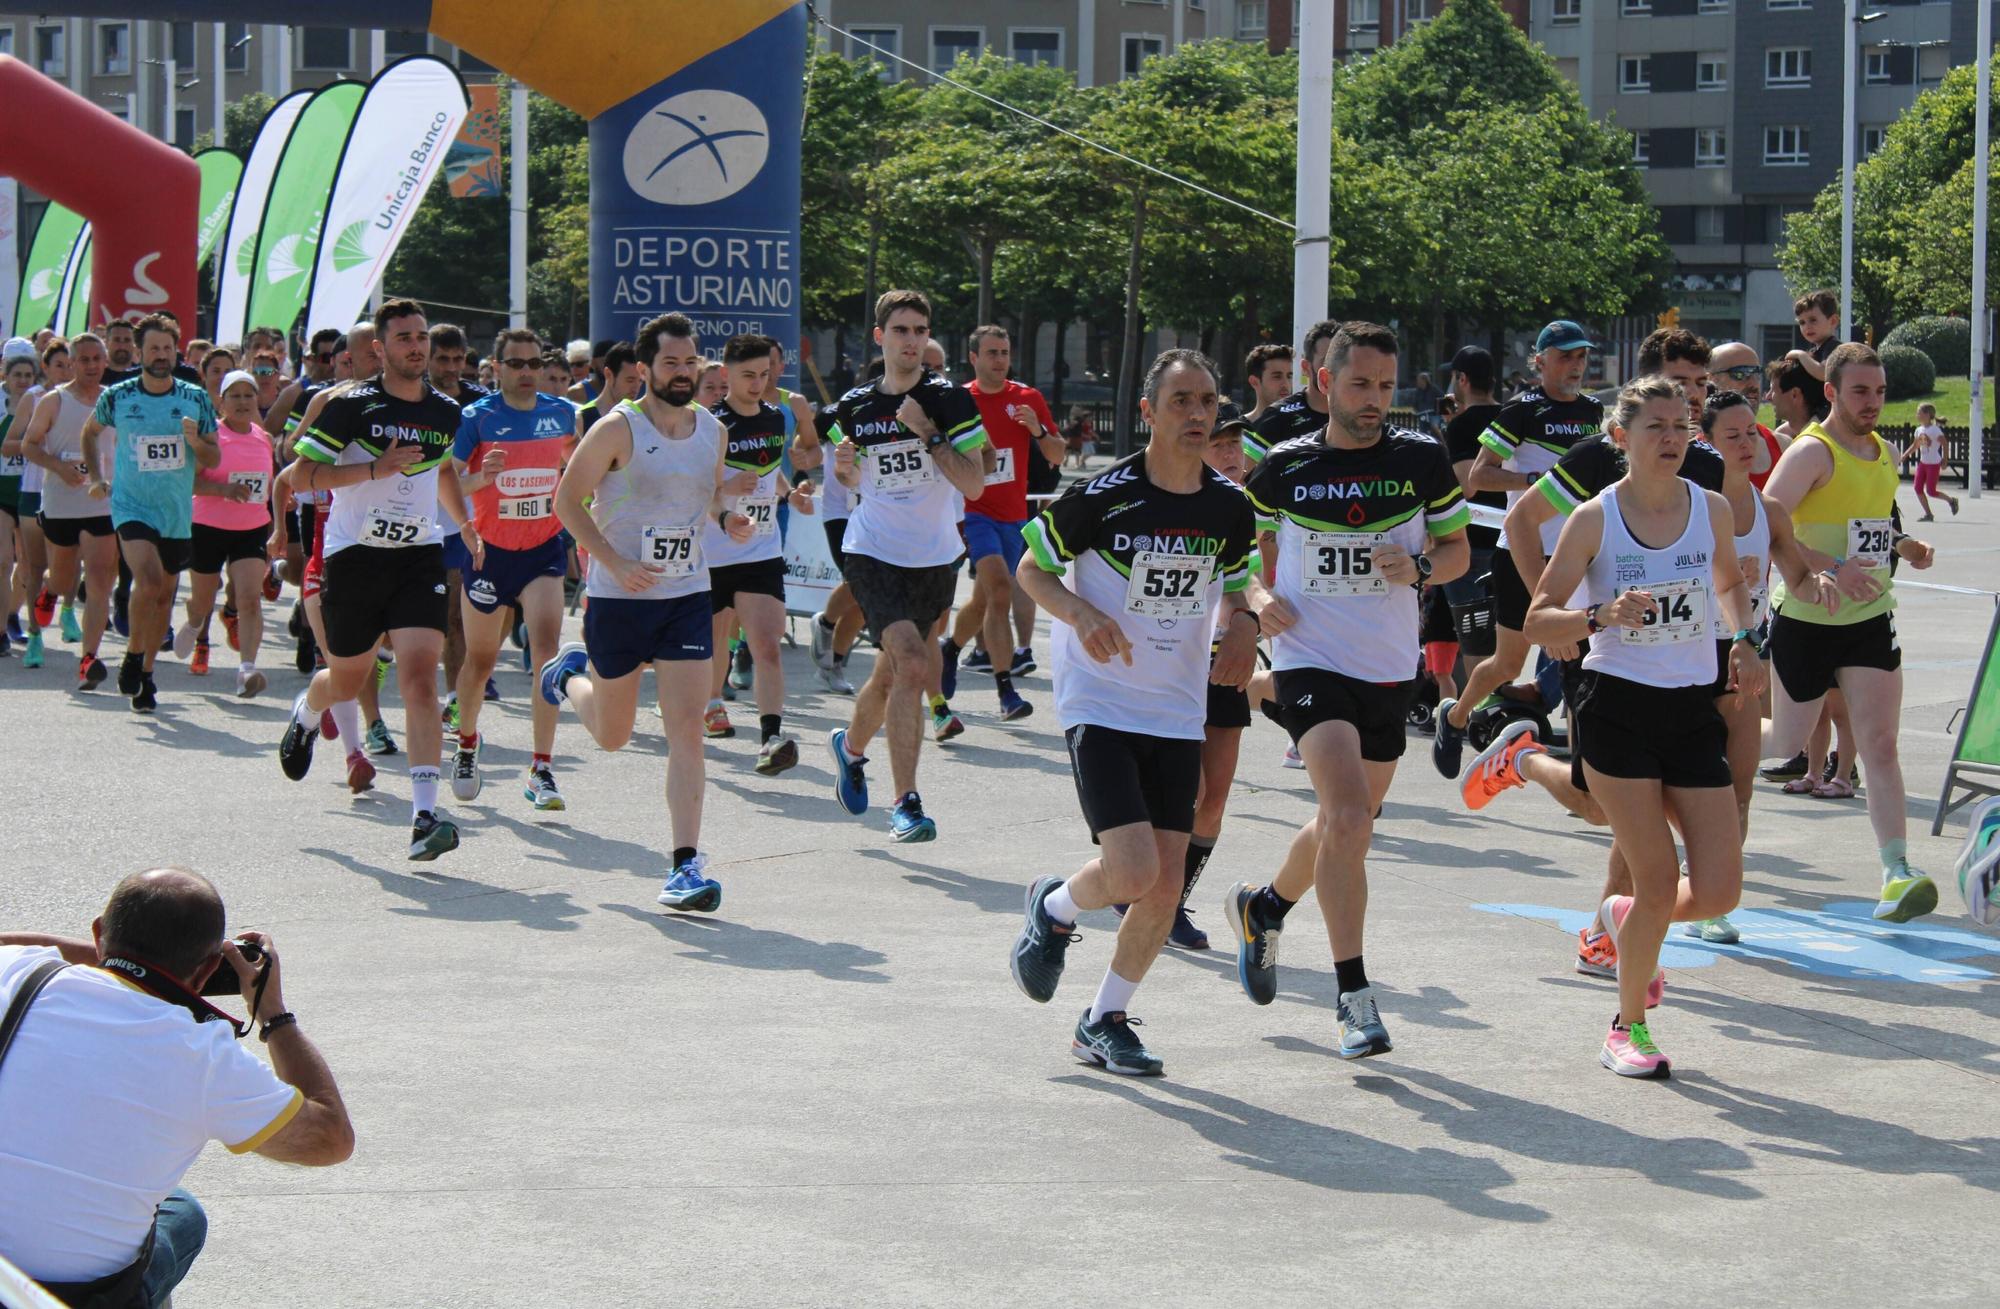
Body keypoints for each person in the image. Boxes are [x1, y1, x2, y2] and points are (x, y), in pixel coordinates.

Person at [1222, 322, 1471, 1059]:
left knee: (1346, 825)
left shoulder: (1423, 460)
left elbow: (1457, 549)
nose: (1375, 400)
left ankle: (1264, 908)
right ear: (1326, 383)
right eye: (1361, 384)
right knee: (1349, 813)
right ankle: (1354, 996)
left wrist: (1422, 569)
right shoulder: (1284, 466)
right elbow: (1240, 555)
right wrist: (1259, 599)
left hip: (1388, 667)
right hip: (1309, 658)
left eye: (1388, 386)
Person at [1008, 348, 1259, 1075]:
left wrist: (1242, 627)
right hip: (1102, 696)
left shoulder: (1228, 506)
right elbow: (1032, 568)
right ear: (1148, 412)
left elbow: (1239, 590)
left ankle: (1104, 1018)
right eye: (1181, 401)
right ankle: (1055, 904)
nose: (1197, 414)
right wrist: (1080, 612)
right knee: (1132, 869)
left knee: (1165, 880)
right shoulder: (1103, 495)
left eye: (1207, 402)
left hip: (1176, 706)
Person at [1524, 376, 1763, 1078]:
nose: (1672, 437)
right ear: (1620, 438)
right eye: (1655, 426)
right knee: (1659, 876)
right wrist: (1601, 616)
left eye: (1681, 424)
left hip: (1690, 707)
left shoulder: (1711, 508)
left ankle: (1624, 916)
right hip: (1616, 706)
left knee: (1719, 888)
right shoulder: (1594, 519)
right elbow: (1543, 616)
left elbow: (1726, 584)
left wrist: (1745, 637)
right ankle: (1627, 1026)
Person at [0, 868, 353, 1306]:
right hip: (65, 1299)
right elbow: (330, 1139)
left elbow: (11, 944)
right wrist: (273, 1013)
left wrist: (110, 958)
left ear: (98, 934)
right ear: (207, 970)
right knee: (181, 1214)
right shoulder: (205, 1056)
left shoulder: (20, 976)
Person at [542, 311, 748, 911]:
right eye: (670, 364)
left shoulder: (712, 429)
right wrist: (611, 559)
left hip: (685, 595)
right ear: (643, 369)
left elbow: (704, 496)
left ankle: (686, 864)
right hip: (619, 598)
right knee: (613, 736)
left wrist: (724, 517)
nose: (683, 374)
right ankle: (567, 678)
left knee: (686, 729)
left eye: (691, 364)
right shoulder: (616, 430)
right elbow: (566, 502)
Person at [277, 300, 478, 862]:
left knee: (418, 678)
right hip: (355, 557)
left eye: (422, 337)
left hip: (417, 557)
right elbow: (300, 475)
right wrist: (373, 469)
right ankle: (309, 711)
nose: (417, 346)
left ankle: (423, 816)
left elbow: (439, 469)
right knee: (347, 678)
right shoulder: (350, 405)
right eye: (405, 338)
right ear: (379, 349)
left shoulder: (445, 409)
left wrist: (464, 523)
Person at [1763, 342, 1940, 922]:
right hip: (1807, 617)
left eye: (1880, 391)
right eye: (1860, 391)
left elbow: (1871, 524)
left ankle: (1896, 871)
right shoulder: (1812, 453)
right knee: (1782, 746)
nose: (1872, 402)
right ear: (1832, 393)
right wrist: (1827, 567)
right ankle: (1697, 770)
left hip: (1868, 618)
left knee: (1880, 744)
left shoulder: (1885, 451)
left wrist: (1904, 545)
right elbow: (1769, 520)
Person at [822, 291, 991, 842]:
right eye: (901, 330)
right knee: (915, 664)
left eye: (920, 329)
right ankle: (907, 803)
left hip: (935, 557)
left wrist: (929, 432)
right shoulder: (851, 407)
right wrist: (845, 470)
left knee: (892, 673)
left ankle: (848, 750)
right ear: (880, 337)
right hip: (872, 552)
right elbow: (849, 480)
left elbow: (973, 482)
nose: (912, 340)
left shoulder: (950, 401)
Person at [1433, 320, 1604, 779]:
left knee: (1588, 655)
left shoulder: (1594, 411)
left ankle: (1591, 768)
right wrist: (1538, 482)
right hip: (1524, 551)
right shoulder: (1520, 410)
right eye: (1565, 356)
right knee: (1507, 662)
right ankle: (1453, 716)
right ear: (1540, 361)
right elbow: (1478, 478)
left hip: (1582, 555)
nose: (1575, 365)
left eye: (1581, 356)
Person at [448, 328, 582, 811]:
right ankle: (466, 744)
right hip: (490, 553)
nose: (526, 372)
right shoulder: (478, 417)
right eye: (516, 364)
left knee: (545, 653)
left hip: (542, 549)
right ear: (497, 367)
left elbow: (578, 466)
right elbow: (450, 479)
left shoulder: (561, 414)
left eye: (533, 363)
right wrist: (484, 478)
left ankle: (541, 769)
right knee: (480, 661)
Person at [79, 313, 221, 712]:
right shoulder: (119, 396)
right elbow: (89, 434)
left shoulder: (195, 399)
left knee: (162, 599)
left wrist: (196, 442)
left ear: (176, 350)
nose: (161, 355)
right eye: (154, 348)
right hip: (131, 505)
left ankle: (144, 672)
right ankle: (131, 656)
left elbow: (214, 454)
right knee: (149, 578)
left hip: (174, 511)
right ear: (140, 352)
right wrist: (95, 476)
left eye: (167, 348)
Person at [701, 333, 814, 773]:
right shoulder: (709, 423)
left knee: (766, 645)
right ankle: (710, 704)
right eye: (747, 375)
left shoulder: (775, 418)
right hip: (713, 552)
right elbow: (695, 488)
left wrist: (793, 497)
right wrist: (726, 495)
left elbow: (772, 473)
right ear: (725, 373)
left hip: (760, 551)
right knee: (712, 647)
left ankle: (771, 737)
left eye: (763, 375)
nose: (756, 384)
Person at [938, 324, 1062, 721]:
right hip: (973, 512)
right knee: (999, 590)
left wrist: (1037, 430)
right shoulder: (958, 399)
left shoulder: (1027, 398)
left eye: (1004, 352)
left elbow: (1057, 453)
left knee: (983, 600)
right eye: (991, 353)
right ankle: (1006, 690)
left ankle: (952, 648)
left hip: (1013, 517)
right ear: (973, 358)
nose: (999, 360)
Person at [20, 332, 117, 691]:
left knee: (99, 580)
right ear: (72, 364)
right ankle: (49, 592)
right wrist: (60, 468)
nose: (91, 365)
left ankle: (89, 658)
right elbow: (29, 446)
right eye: (84, 359)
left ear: (105, 362)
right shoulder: (53, 401)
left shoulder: (113, 401)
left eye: (97, 359)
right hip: (60, 503)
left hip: (101, 502)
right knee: (63, 579)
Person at [178, 369, 277, 697]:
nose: (243, 402)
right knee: (203, 601)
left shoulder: (263, 438)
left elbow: (268, 487)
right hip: (208, 526)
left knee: (249, 598)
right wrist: (224, 490)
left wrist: (277, 526)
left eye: (248, 395)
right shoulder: (211, 437)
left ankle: (247, 670)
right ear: (221, 401)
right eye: (234, 395)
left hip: (250, 529)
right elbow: (189, 483)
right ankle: (194, 624)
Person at [1246, 319, 1339, 466]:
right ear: (1305, 367)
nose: (1335, 369)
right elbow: (1237, 476)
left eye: (1342, 362)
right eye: (1326, 361)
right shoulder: (1278, 416)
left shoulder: (1360, 416)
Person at [1707, 341, 1787, 487]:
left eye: (1756, 373)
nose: (1753, 383)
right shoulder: (1693, 449)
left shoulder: (1782, 445)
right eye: (1740, 373)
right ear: (1711, 380)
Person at [1900, 402, 1958, 521]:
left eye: (1919, 412)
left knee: (1931, 491)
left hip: (1933, 464)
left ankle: (1951, 501)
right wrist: (1905, 454)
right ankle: (1928, 514)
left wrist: (1945, 459)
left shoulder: (1935, 430)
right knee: (1917, 488)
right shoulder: (1919, 430)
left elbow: (1945, 443)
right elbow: (1916, 445)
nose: (1917, 415)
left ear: (1927, 415)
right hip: (1923, 463)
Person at [1785, 288, 1842, 382]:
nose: (1807, 327)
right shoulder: (1813, 351)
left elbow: (1824, 373)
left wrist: (1800, 355)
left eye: (1813, 320)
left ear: (1833, 321)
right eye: (1802, 322)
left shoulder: (1833, 347)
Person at [1242, 343, 1295, 425]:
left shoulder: (1302, 425)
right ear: (1254, 382)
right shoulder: (1239, 431)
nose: (1286, 384)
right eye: (1277, 377)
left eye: (1289, 376)